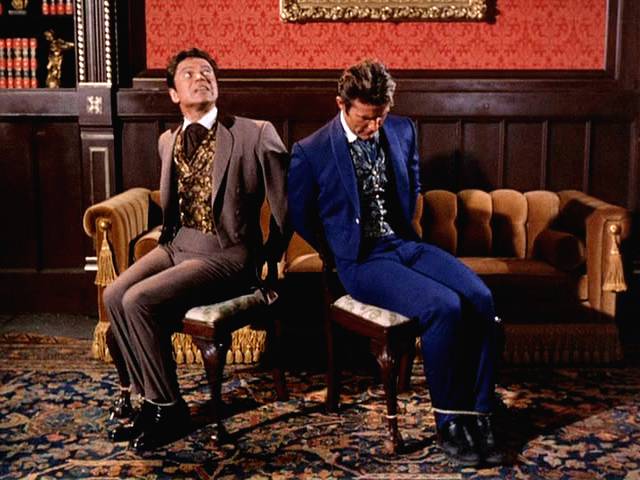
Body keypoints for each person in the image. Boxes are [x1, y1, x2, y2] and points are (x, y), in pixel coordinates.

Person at [287, 59, 502, 466]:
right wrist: (338, 251)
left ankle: (481, 411)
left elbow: (413, 182)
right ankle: (450, 422)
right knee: (443, 307)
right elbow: (301, 214)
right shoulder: (310, 152)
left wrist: (405, 227)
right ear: (341, 104)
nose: (375, 126)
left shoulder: (402, 129)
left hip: (405, 245)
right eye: (366, 118)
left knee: (481, 297)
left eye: (381, 116)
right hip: (362, 261)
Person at [104, 48, 289, 452]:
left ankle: (168, 409)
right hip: (177, 244)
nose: (200, 77)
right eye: (188, 74)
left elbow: (285, 206)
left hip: (227, 254)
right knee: (114, 294)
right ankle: (149, 398)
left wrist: (268, 260)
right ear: (174, 93)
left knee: (138, 299)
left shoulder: (255, 133)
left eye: (206, 72)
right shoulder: (167, 140)